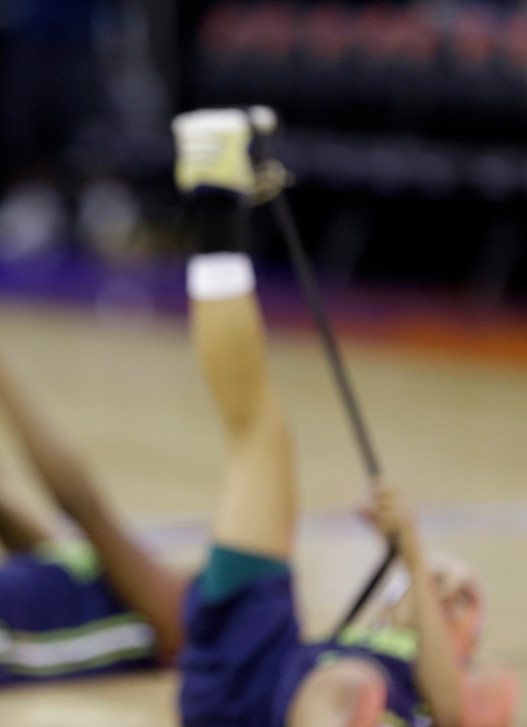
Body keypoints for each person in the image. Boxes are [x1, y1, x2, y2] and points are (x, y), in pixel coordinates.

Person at [169, 106, 518, 727]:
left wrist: (412, 551)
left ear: (471, 644)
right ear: (388, 606)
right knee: (261, 433)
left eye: (460, 600)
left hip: (331, 693)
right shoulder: (361, 643)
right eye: (442, 580)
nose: (445, 590)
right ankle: (218, 199)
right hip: (266, 670)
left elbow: (459, 714)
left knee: (350, 684)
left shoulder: (471, 683)